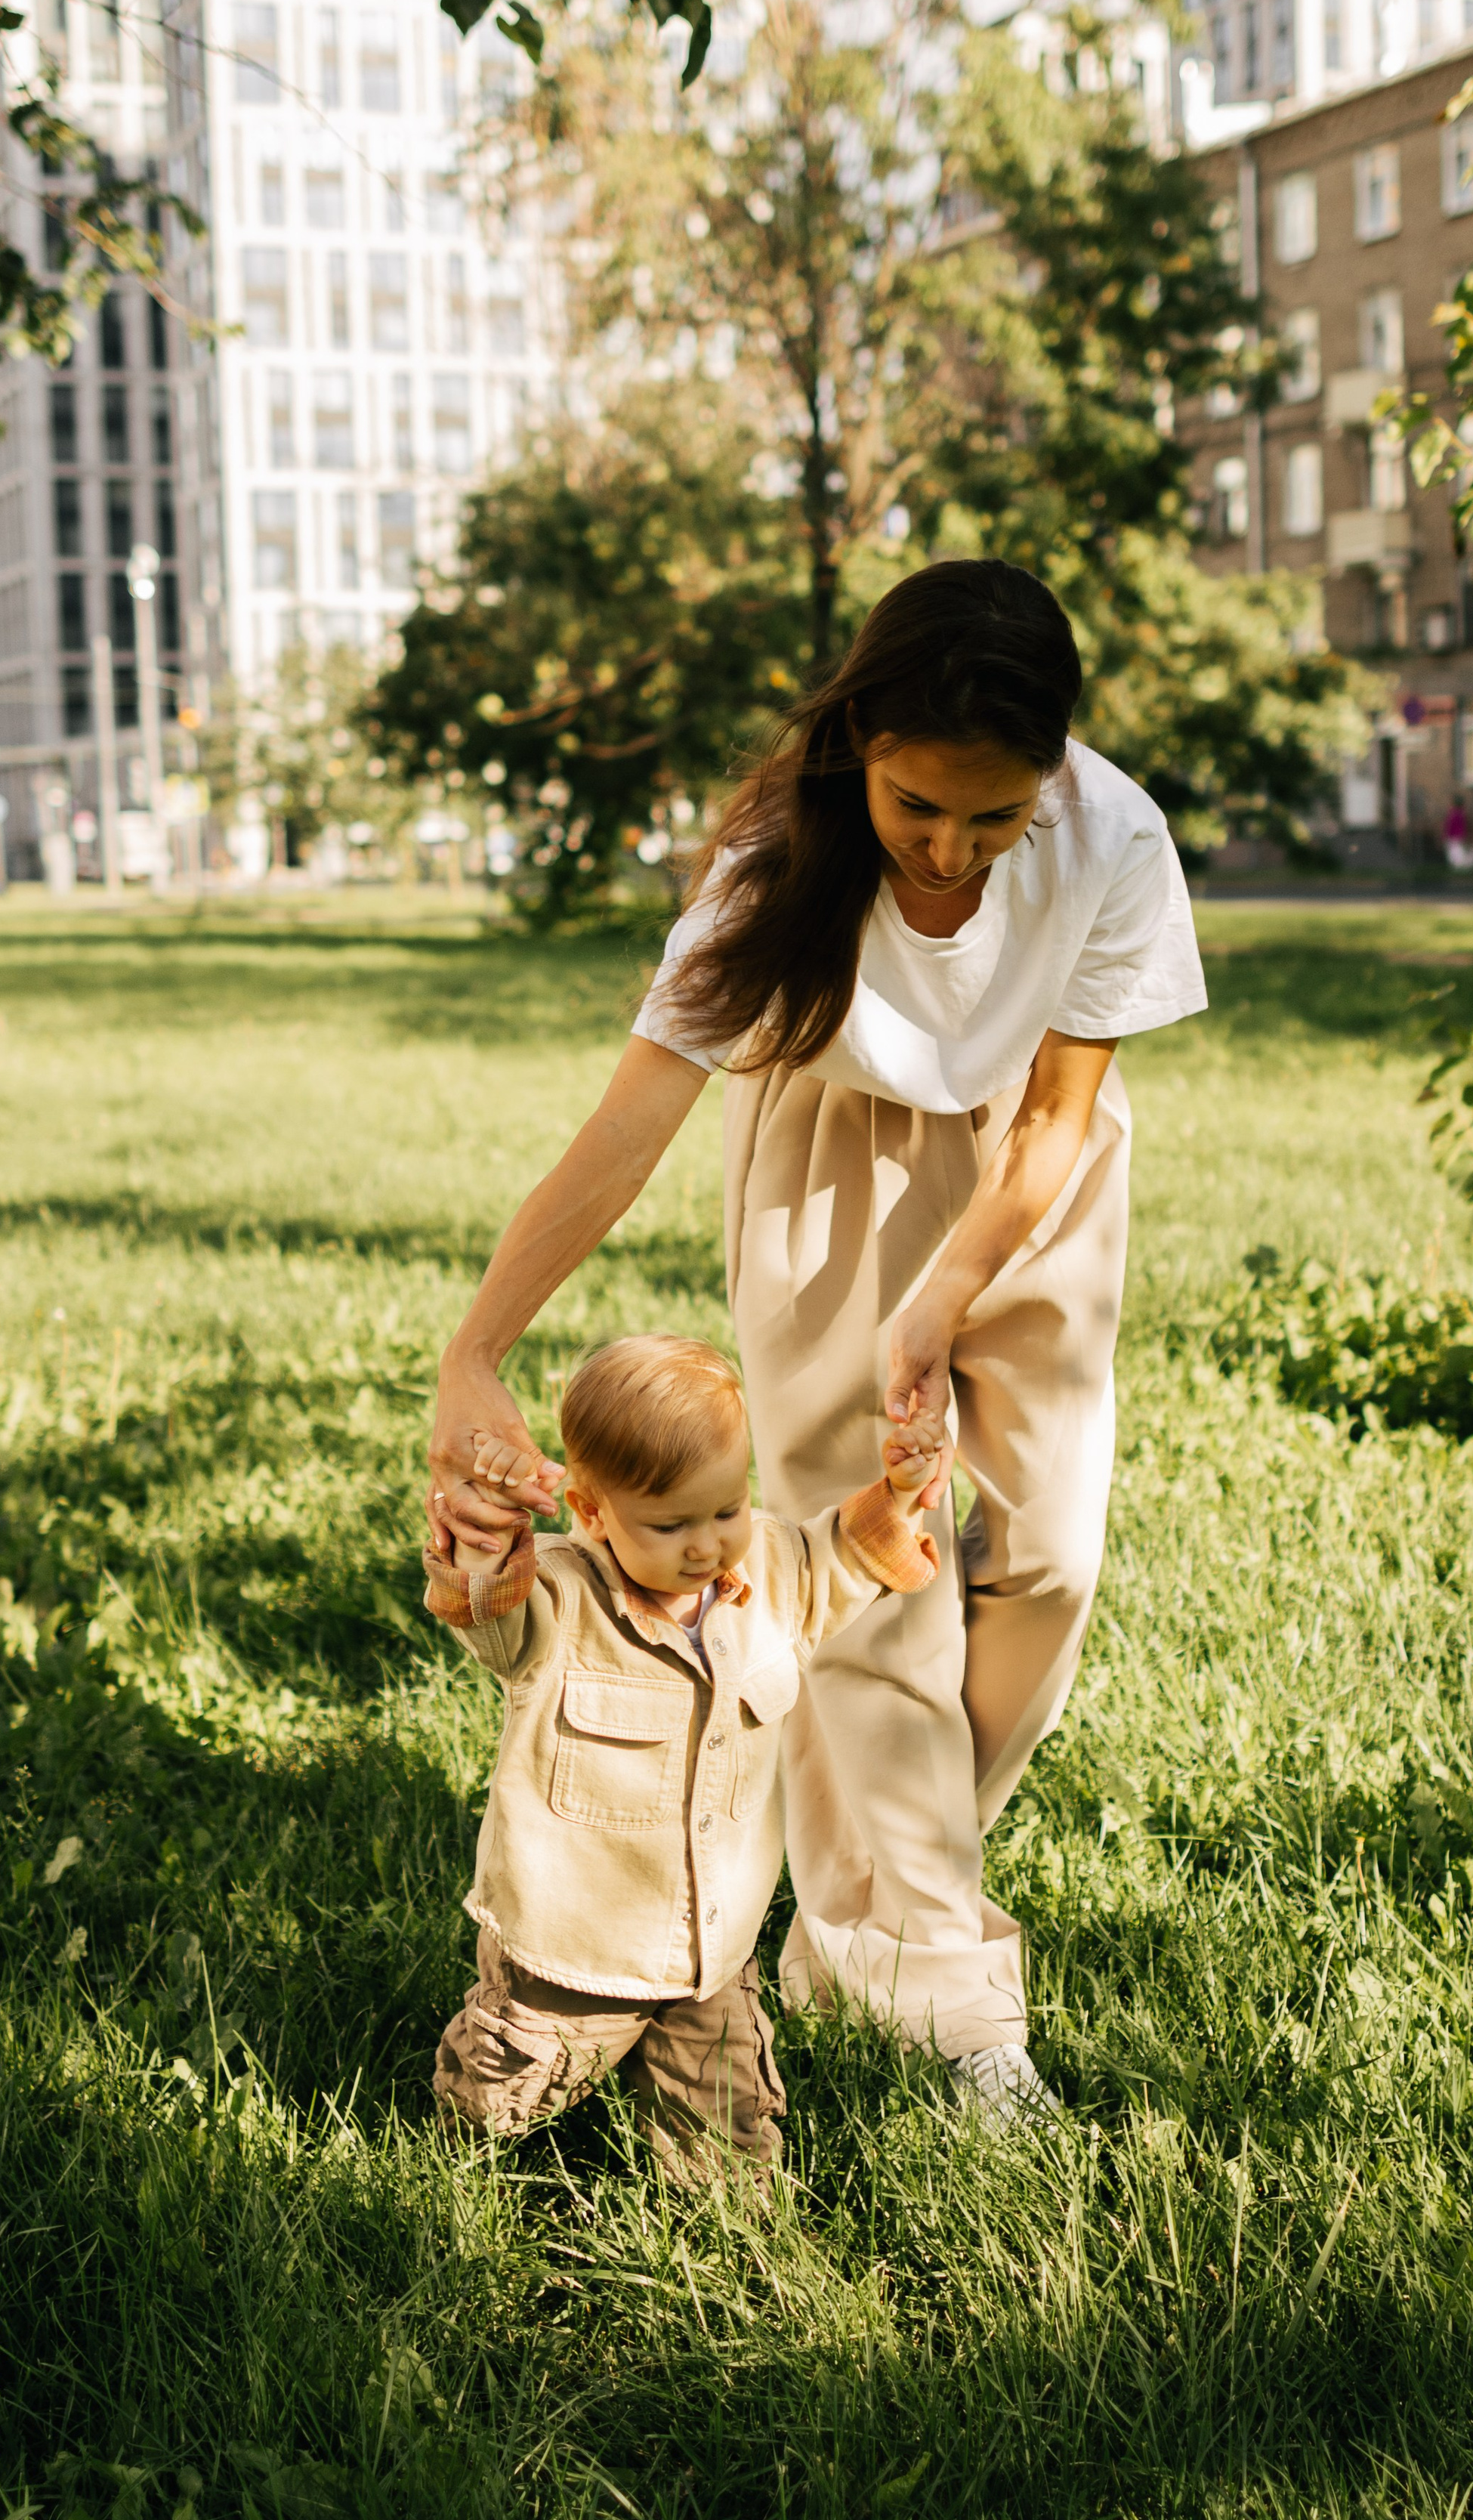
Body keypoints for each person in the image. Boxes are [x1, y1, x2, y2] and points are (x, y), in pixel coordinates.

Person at [427, 558, 1207, 2113]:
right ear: (859, 741)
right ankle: (941, 1990)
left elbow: (1052, 1120)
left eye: (993, 817)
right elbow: (625, 1131)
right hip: (833, 1160)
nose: (951, 849)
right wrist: (475, 1350)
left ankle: (858, 1890)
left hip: (1033, 1175)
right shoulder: (773, 860)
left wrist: (946, 1291)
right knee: (877, 1596)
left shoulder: (1110, 836)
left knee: (1049, 1553)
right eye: (919, 805)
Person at [426, 1333, 943, 2175]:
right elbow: (491, 1616)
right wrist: (482, 1548)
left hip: (712, 1950)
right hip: (575, 1948)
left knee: (729, 2145)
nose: (706, 1546)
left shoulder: (772, 1569)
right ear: (591, 1513)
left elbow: (844, 1557)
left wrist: (902, 1493)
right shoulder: (557, 1598)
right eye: (668, 1526)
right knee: (501, 2101)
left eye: (726, 1510)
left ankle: (729, 2213)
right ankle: (456, 2137)